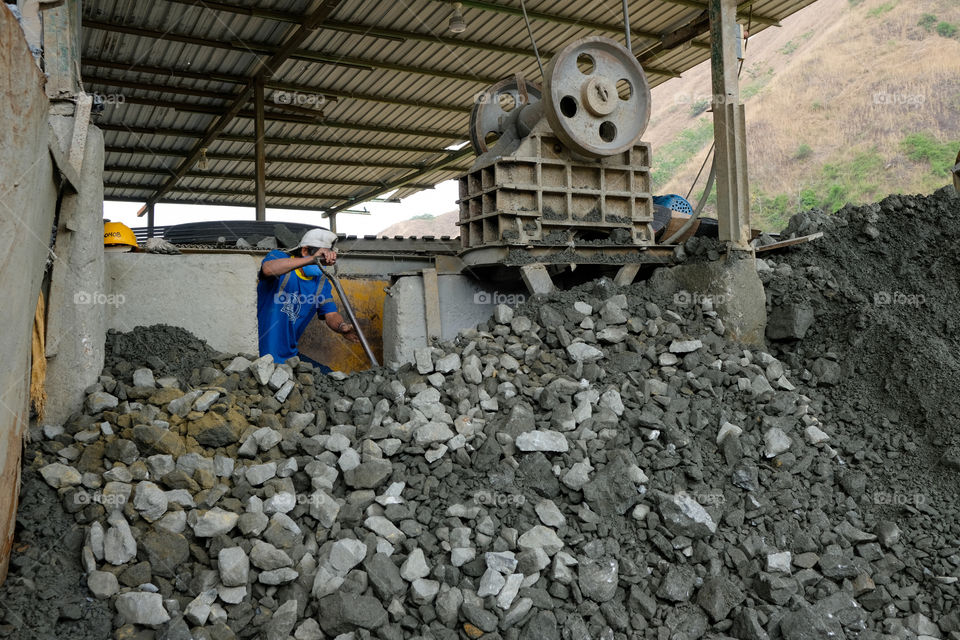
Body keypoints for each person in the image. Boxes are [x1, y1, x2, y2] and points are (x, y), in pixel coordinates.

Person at [257, 228, 359, 372]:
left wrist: (342, 327)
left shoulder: (321, 282)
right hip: (261, 355)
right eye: (321, 256)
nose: (322, 263)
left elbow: (331, 315)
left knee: (329, 376)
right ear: (305, 251)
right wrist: (312, 260)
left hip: (289, 358)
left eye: (326, 260)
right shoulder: (278, 257)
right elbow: (268, 269)